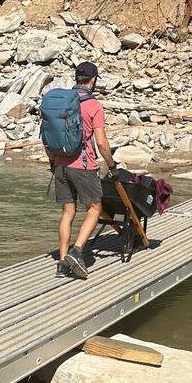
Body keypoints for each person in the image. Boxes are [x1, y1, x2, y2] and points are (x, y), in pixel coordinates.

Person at [47, 62, 116, 280]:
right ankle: (77, 252)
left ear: (76, 78)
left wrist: (53, 162)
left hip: (60, 164)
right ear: (93, 80)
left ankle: (61, 262)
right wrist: (111, 164)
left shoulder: (60, 103)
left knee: (68, 213)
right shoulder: (94, 105)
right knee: (95, 208)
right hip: (83, 166)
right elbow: (101, 142)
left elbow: (47, 136)